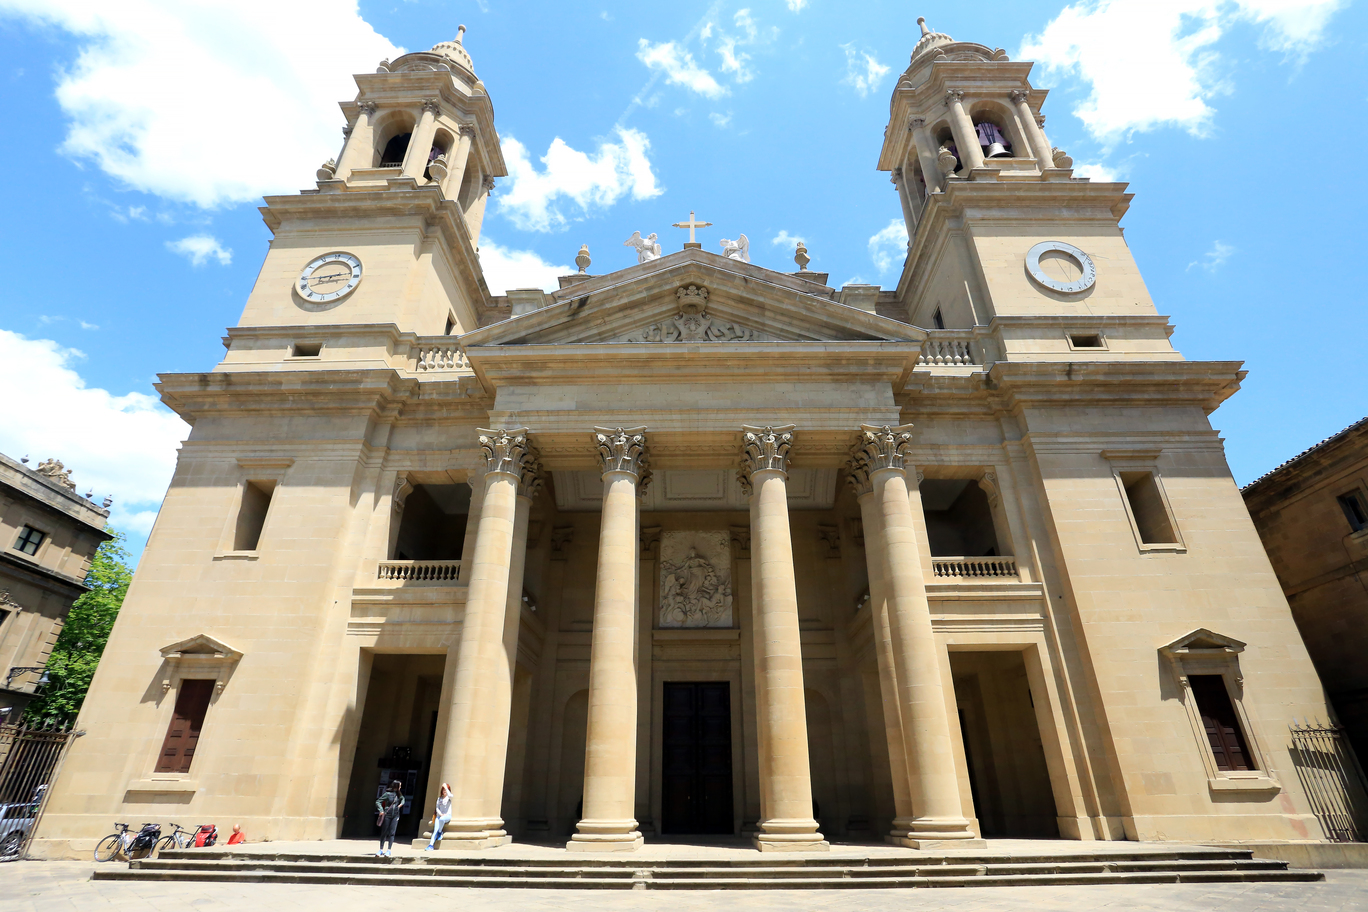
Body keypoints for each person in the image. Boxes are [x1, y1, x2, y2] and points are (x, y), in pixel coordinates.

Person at [375, 779, 404, 857]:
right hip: (387, 814)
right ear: (396, 786)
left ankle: (389, 850)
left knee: (392, 833)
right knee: (384, 832)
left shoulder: (399, 794)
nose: (400, 787)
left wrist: (400, 805)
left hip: (395, 815)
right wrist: (381, 810)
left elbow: (403, 800)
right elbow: (378, 801)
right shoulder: (387, 794)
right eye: (400, 786)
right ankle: (381, 849)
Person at [425, 783, 452, 851]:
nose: (444, 791)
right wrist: (440, 814)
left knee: (442, 819)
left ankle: (440, 832)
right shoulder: (439, 799)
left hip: (447, 816)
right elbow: (437, 808)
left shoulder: (449, 798)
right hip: (439, 816)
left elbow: (450, 795)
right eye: (443, 790)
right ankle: (431, 845)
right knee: (435, 831)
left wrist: (446, 787)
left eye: (446, 790)